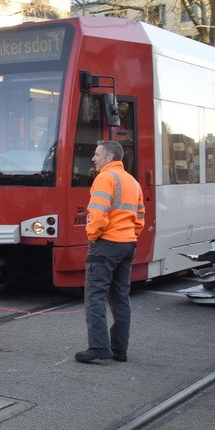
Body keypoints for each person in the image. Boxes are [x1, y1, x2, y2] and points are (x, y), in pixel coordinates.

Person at [75, 140, 145, 364]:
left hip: (106, 244)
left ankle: (98, 347)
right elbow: (140, 217)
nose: (93, 158)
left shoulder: (105, 178)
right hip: (127, 244)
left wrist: (93, 235)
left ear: (110, 158)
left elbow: (97, 213)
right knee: (120, 298)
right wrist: (130, 235)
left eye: (97, 154)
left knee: (95, 297)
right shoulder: (133, 182)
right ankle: (119, 350)